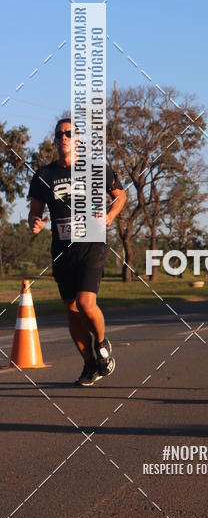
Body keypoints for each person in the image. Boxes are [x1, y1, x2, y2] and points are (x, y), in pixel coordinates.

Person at [28, 117, 126, 386]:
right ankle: (90, 364)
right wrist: (35, 223)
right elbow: (34, 213)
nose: (64, 138)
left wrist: (108, 217)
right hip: (62, 250)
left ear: (78, 139)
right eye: (59, 134)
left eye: (69, 133)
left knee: (85, 302)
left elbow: (121, 196)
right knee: (71, 309)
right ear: (55, 139)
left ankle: (102, 343)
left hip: (92, 246)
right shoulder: (43, 176)